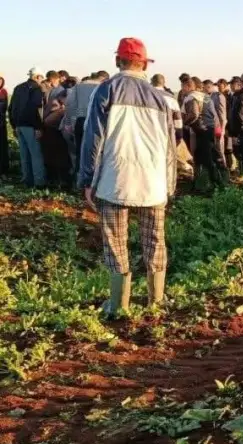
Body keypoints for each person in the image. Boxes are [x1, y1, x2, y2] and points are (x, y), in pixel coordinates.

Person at [78, 37, 177, 318]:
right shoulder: (162, 97)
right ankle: (156, 302)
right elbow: (171, 147)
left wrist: (87, 180)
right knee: (155, 240)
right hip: (154, 183)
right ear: (144, 63)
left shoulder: (106, 90)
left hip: (114, 181)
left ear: (117, 61)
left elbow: (92, 138)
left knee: (115, 242)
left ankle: (118, 305)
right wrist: (169, 186)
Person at [63, 71, 108, 184]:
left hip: (80, 120)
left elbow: (69, 104)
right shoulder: (103, 87)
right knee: (97, 152)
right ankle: (94, 183)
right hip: (96, 122)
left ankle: (79, 182)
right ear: (103, 78)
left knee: (80, 152)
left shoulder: (78, 87)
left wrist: (69, 122)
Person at [9, 67, 47, 188]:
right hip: (30, 126)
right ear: (37, 77)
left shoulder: (18, 87)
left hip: (18, 125)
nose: (42, 81)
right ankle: (39, 182)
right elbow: (35, 108)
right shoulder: (36, 89)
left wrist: (13, 125)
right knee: (36, 155)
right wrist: (38, 127)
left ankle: (27, 180)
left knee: (24, 155)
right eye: (41, 78)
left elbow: (11, 108)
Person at [183, 77, 221, 190]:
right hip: (210, 129)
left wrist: (185, 123)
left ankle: (214, 183)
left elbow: (194, 114)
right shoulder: (206, 96)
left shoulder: (192, 97)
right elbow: (214, 115)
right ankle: (204, 183)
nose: (182, 89)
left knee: (205, 159)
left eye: (183, 86)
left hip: (201, 130)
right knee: (208, 156)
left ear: (189, 86)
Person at [151, 74, 191, 175]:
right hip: (168, 133)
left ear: (151, 82)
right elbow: (177, 120)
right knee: (168, 158)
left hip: (150, 132)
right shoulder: (171, 98)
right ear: (163, 83)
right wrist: (179, 136)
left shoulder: (146, 95)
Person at [42, 89, 71, 188]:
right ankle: (61, 182)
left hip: (51, 135)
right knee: (60, 160)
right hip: (54, 134)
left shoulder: (54, 102)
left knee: (53, 160)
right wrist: (62, 111)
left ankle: (54, 181)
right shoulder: (56, 105)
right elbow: (47, 121)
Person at [204, 79, 229, 183]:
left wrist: (222, 130)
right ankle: (217, 176)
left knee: (220, 151)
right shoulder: (209, 97)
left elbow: (222, 115)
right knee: (215, 152)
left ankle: (225, 177)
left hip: (218, 128)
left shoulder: (219, 96)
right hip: (213, 127)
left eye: (204, 87)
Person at [227, 76, 243, 175]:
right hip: (234, 129)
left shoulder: (241, 97)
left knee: (240, 152)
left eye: (232, 84)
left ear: (238, 85)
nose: (231, 86)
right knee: (236, 151)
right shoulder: (234, 96)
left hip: (240, 130)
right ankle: (241, 171)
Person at [0, 74, 9, 176]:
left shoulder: (4, 92)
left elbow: (5, 107)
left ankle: (3, 168)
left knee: (2, 146)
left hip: (1, 123)